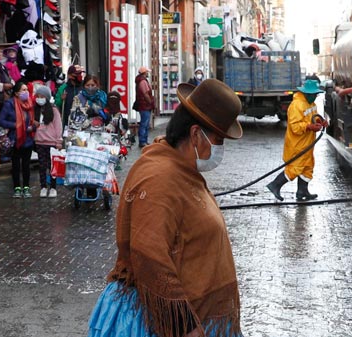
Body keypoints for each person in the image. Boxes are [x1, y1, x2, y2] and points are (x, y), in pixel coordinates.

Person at [87, 79, 244, 337]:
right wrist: (185, 326)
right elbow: (150, 256)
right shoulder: (159, 177)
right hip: (158, 321)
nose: (220, 149)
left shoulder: (183, 171)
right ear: (195, 134)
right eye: (218, 140)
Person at [266, 79, 328, 201]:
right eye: (314, 94)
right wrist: (309, 127)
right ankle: (275, 185)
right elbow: (294, 127)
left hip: (308, 143)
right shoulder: (296, 105)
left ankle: (302, 191)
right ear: (307, 94)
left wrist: (320, 122)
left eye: (316, 94)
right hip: (297, 144)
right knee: (295, 167)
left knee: (307, 166)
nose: (315, 97)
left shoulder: (311, 104)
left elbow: (313, 118)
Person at [0, 81, 35, 198]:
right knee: (15, 165)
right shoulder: (10, 104)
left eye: (27, 90)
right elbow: (1, 120)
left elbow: (34, 121)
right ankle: (17, 188)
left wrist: (32, 127)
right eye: (23, 90)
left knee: (26, 164)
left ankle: (26, 187)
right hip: (15, 138)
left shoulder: (29, 104)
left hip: (28, 139)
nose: (26, 92)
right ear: (17, 93)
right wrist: (17, 125)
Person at [0, 46, 15, 168]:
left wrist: (11, 84)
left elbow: (10, 79)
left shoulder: (2, 67)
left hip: (4, 101)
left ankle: (3, 154)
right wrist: (3, 86)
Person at [55, 64, 84, 128]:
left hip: (82, 121)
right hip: (67, 122)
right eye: (76, 74)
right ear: (69, 75)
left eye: (80, 74)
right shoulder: (63, 88)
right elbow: (57, 104)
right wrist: (61, 99)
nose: (78, 76)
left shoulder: (83, 87)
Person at [134, 66, 154, 148]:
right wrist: (150, 102)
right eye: (147, 72)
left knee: (145, 123)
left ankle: (144, 141)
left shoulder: (141, 80)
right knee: (144, 123)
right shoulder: (143, 82)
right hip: (145, 105)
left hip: (143, 105)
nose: (148, 73)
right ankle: (142, 141)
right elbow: (145, 94)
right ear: (144, 73)